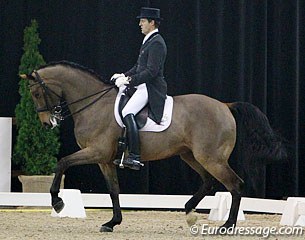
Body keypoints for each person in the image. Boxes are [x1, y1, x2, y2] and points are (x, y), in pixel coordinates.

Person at [111, 7, 167, 170]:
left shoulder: (157, 42)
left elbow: (151, 72)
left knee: (128, 111)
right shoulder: (148, 40)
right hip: (142, 84)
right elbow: (138, 66)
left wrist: (129, 80)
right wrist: (123, 74)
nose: (140, 24)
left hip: (151, 88)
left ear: (152, 22)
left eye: (143, 21)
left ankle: (135, 156)